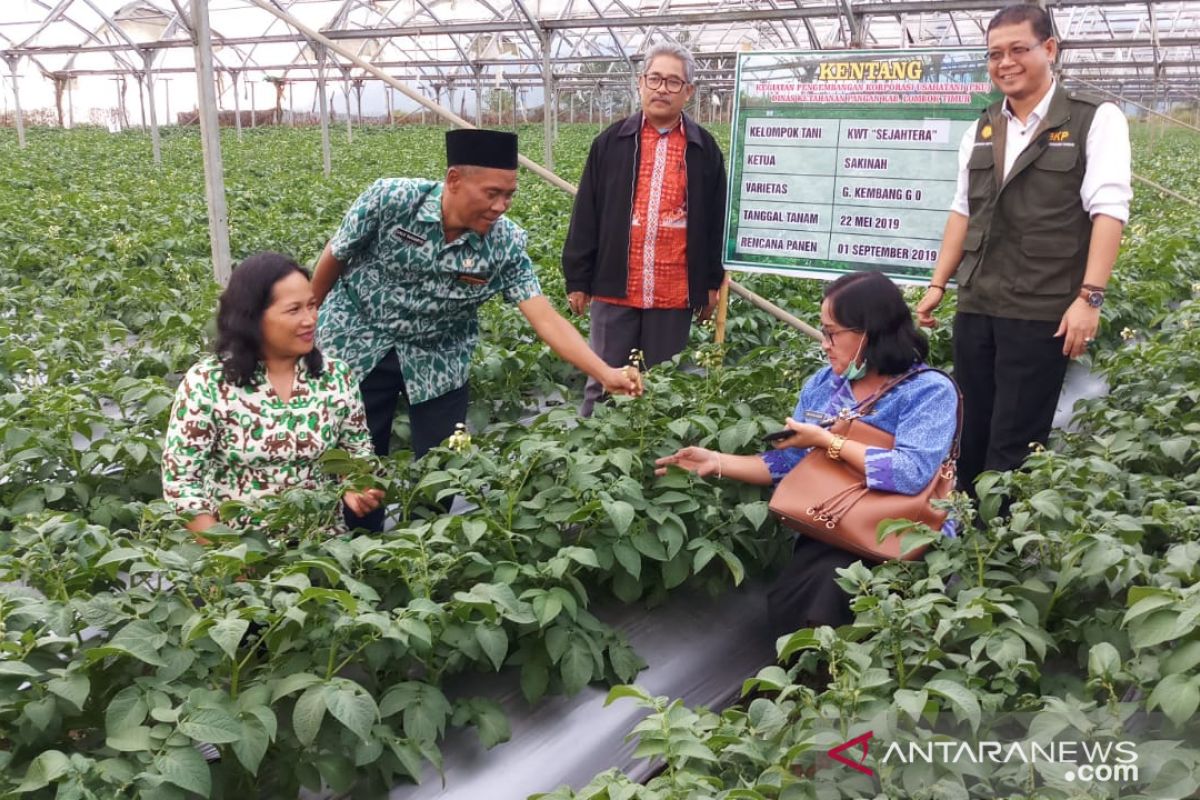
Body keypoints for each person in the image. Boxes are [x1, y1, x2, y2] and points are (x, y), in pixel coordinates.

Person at [311, 129, 643, 530]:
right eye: (492, 193)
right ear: (454, 180)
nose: (501, 206)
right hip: (359, 342)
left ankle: (422, 552)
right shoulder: (392, 200)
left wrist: (604, 372)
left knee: (442, 468)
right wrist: (307, 324)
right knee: (358, 461)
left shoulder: (504, 244)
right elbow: (336, 255)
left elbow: (545, 317)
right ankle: (356, 551)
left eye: (509, 195)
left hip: (439, 359)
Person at [656, 271, 958, 634]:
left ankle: (829, 676)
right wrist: (716, 461)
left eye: (833, 332)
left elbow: (910, 474)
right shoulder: (824, 384)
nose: (825, 343)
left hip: (901, 532)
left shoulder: (927, 391)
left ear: (869, 331)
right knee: (794, 598)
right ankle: (810, 676)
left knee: (832, 590)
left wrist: (827, 441)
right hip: (835, 524)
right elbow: (789, 464)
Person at [916, 4, 1131, 496]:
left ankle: (999, 552)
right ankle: (963, 536)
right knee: (970, 431)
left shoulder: (1092, 120)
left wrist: (1089, 298)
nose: (1005, 63)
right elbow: (961, 210)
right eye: (995, 54)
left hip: (1041, 308)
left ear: (1049, 49)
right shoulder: (983, 126)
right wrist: (937, 284)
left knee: (1015, 440)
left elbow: (1108, 210)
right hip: (978, 304)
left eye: (1018, 49)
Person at [162, 252, 383, 539]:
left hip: (321, 552)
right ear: (252, 317)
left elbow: (358, 451)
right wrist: (230, 555)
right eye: (294, 310)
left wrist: (357, 484)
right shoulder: (208, 384)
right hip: (239, 556)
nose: (310, 320)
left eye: (312, 305)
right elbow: (180, 482)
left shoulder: (335, 377)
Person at [562, 42, 728, 416]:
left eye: (673, 82)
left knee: (661, 384)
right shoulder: (611, 142)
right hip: (615, 284)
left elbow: (715, 220)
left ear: (688, 92)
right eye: (655, 79)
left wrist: (711, 282)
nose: (662, 89)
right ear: (640, 83)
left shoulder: (703, 149)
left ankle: (652, 456)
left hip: (674, 289)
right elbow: (587, 212)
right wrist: (578, 277)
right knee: (603, 379)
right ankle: (593, 453)